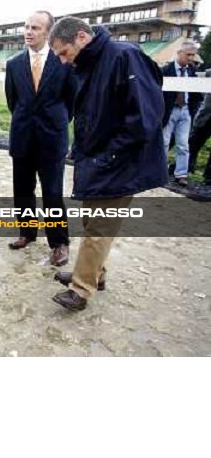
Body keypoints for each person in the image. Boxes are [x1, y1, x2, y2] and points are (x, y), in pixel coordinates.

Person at [48, 17, 167, 311]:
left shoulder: (125, 57)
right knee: (92, 221)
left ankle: (81, 289)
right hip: (97, 160)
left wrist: (111, 155)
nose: (63, 61)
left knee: (99, 226)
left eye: (64, 53)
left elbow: (145, 118)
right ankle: (95, 274)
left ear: (81, 38)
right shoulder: (89, 64)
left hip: (122, 162)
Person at [4, 11, 76, 266]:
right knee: (22, 191)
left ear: (48, 32)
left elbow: (71, 101)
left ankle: (59, 243)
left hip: (52, 139)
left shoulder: (64, 63)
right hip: (23, 137)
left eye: (35, 27)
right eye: (26, 26)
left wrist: (54, 122)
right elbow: (14, 101)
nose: (28, 31)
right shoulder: (13, 64)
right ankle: (27, 232)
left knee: (53, 194)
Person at [161, 40, 201, 186]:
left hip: (185, 111)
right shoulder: (165, 70)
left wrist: (192, 110)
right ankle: (161, 173)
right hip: (169, 111)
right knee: (164, 143)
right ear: (179, 53)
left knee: (183, 145)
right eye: (188, 54)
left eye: (193, 55)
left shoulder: (191, 72)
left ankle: (181, 174)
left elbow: (197, 94)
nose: (190, 58)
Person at [188, 69, 211, 185]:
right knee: (193, 143)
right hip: (206, 115)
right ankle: (185, 167)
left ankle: (208, 178)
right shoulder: (208, 73)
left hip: (205, 114)